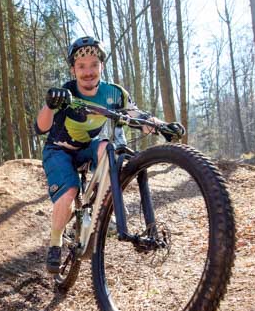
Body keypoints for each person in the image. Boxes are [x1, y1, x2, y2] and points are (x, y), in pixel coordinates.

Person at [34, 36, 184, 274]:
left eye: (94, 64)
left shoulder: (115, 94)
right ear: (73, 69)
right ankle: (55, 241)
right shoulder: (66, 92)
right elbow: (40, 128)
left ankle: (103, 209)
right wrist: (50, 104)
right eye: (81, 67)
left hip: (87, 146)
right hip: (58, 150)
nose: (88, 71)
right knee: (70, 192)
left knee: (107, 146)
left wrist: (163, 126)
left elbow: (139, 116)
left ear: (101, 66)